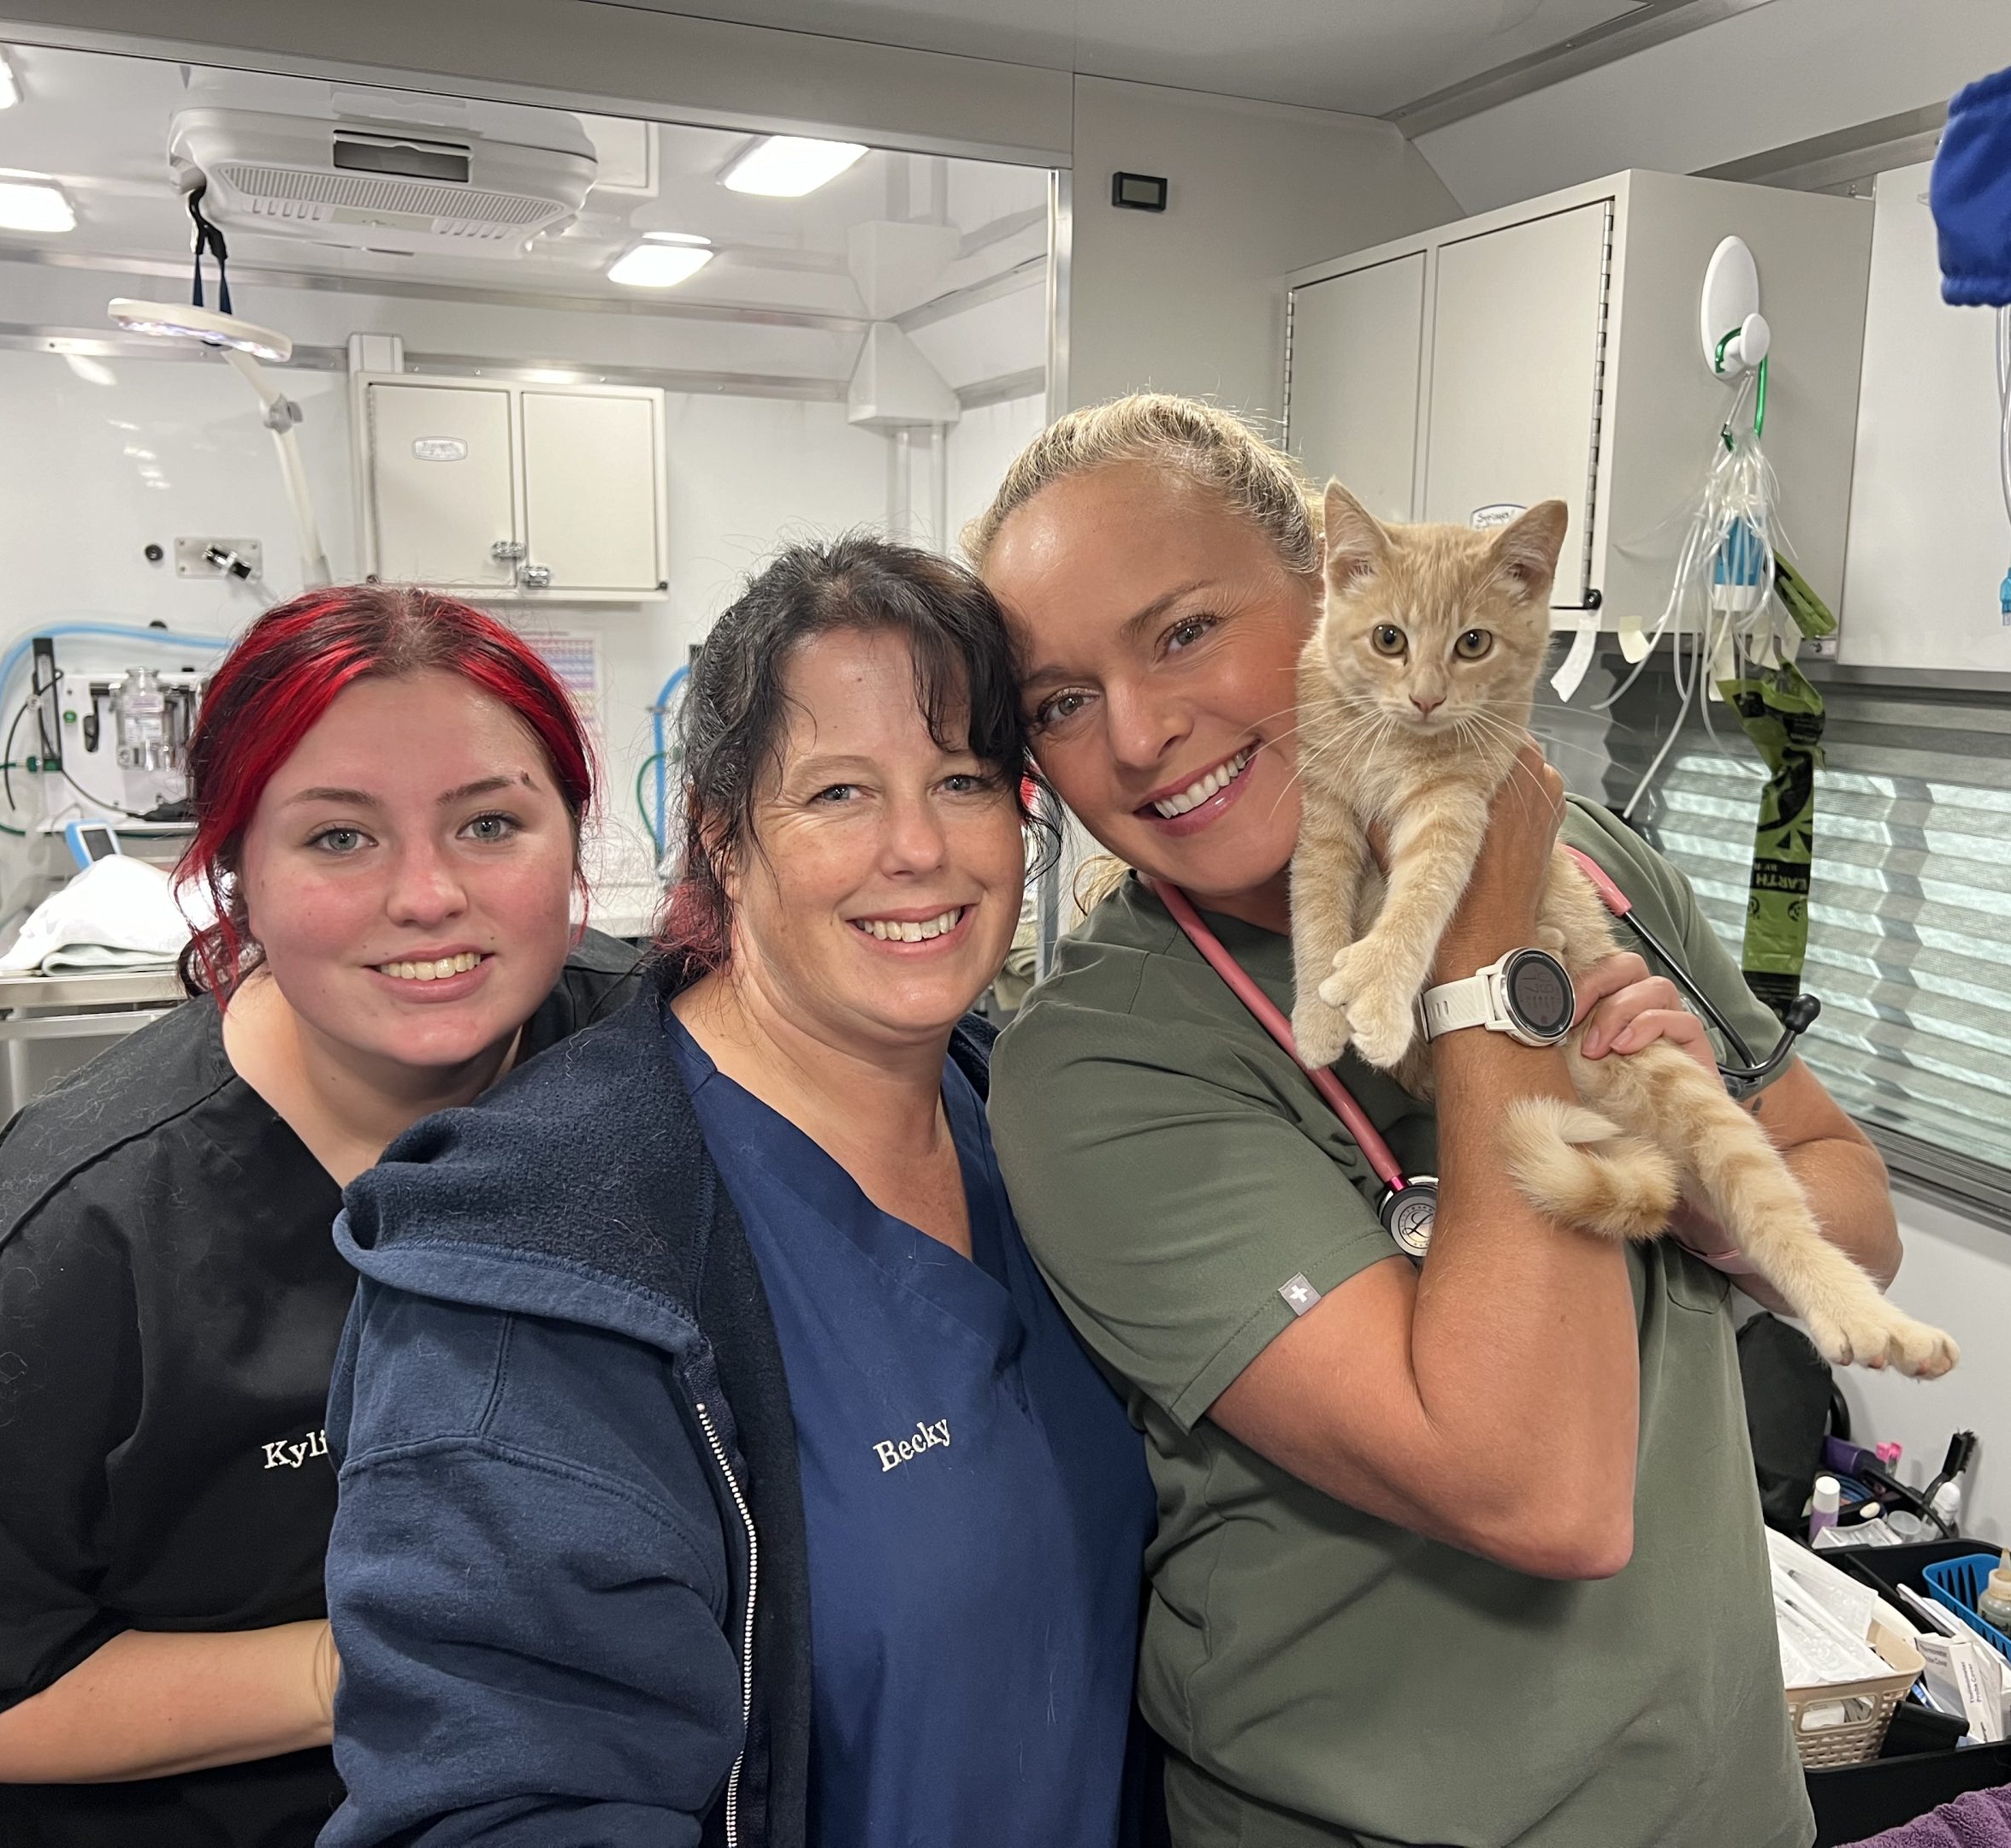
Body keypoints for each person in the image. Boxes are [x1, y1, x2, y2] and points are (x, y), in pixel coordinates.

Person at [970, 394, 1911, 1848]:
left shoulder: (1581, 859)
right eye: (1060, 701)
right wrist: (1492, 959)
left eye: (1183, 633)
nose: (1143, 736)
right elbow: (1541, 1494)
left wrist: (1721, 1212)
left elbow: (1851, 1198)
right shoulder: (1105, 1064)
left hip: (1723, 1805)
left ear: (1339, 595)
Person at [318, 536, 1155, 1848]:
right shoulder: (543, 1266)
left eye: (964, 779)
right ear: (720, 831)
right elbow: (506, 1799)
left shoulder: (1033, 1127)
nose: (919, 847)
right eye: (836, 794)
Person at [0, 586, 639, 1847]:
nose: (426, 896)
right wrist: (367, 1662)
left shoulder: (640, 1061)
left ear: (570, 841)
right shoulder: (93, 1216)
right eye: (338, 839)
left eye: (489, 822)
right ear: (234, 871)